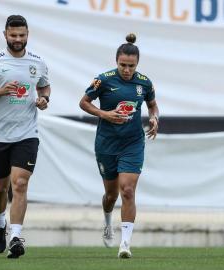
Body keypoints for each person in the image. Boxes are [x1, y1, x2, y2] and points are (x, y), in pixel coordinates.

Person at [0, 15, 51, 259]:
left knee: (20, 184)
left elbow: (44, 86)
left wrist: (44, 99)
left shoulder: (38, 62)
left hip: (26, 134)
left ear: (28, 34)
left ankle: (16, 237)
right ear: (5, 34)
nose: (18, 40)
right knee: (0, 188)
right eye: (13, 35)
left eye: (22, 35)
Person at [79, 33, 159, 258]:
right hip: (107, 143)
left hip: (133, 142)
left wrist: (154, 118)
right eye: (123, 65)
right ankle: (107, 222)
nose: (126, 70)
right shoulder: (103, 80)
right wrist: (104, 113)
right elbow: (84, 102)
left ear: (137, 64)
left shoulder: (144, 82)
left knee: (128, 190)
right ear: (116, 62)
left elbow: (153, 106)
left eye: (131, 66)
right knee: (111, 195)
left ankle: (125, 244)